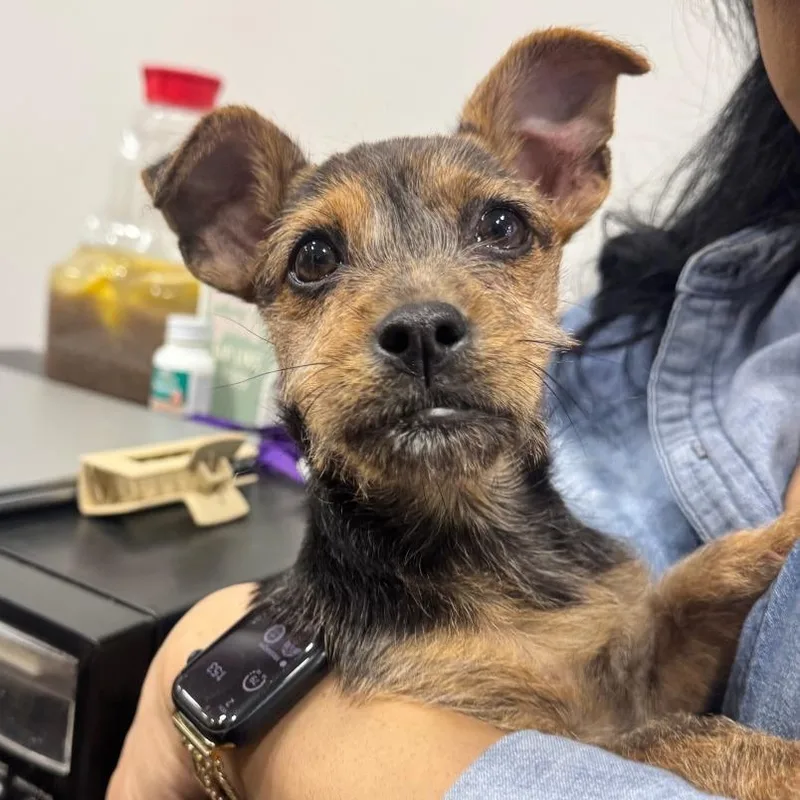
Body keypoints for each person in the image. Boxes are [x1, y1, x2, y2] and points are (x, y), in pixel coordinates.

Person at [108, 1, 800, 797]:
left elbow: (622, 699)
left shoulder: (603, 571)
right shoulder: (655, 322)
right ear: (232, 239)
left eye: (499, 230)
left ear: (565, 176)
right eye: (316, 261)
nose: (421, 314)